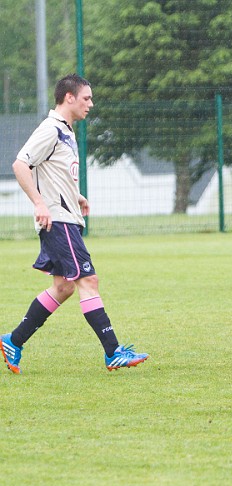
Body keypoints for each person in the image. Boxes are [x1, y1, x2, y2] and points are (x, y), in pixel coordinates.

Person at [2, 74, 149, 374]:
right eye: (86, 98)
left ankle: (13, 341)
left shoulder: (66, 131)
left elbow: (52, 172)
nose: (91, 104)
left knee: (64, 287)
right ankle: (113, 351)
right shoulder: (51, 130)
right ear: (68, 97)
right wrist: (40, 204)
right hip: (58, 221)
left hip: (66, 217)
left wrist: (76, 195)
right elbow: (20, 164)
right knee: (87, 281)